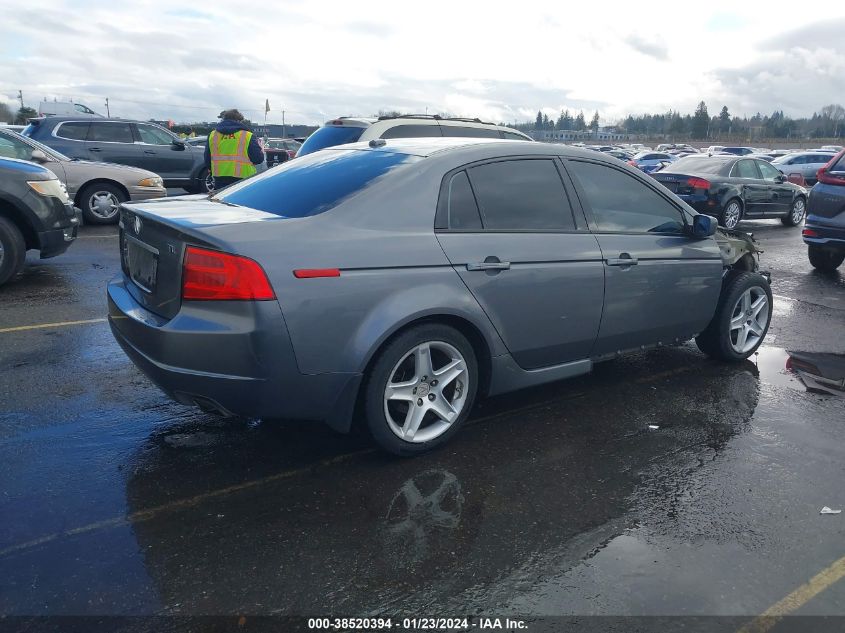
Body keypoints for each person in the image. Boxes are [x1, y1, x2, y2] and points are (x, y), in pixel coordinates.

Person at [205, 109, 264, 190]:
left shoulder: (212, 135)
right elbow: (258, 159)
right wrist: (261, 150)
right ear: (239, 120)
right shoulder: (247, 135)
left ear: (224, 119)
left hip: (219, 178)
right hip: (243, 178)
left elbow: (207, 158)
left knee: (220, 201)